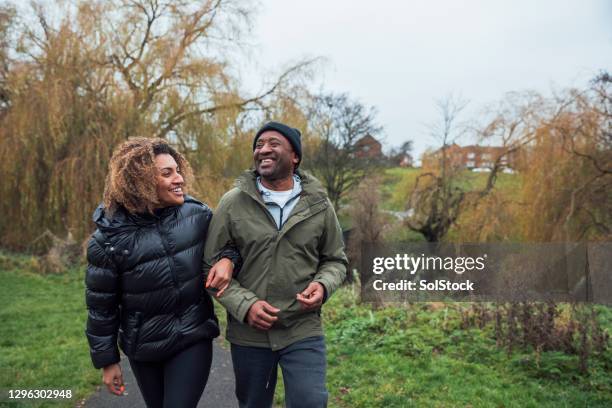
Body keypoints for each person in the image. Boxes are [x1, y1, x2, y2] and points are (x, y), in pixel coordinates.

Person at [85, 137, 239, 408]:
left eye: (178, 170)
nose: (179, 178)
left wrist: (228, 258)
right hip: (143, 347)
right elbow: (101, 306)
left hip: (192, 336)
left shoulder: (197, 215)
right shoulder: (108, 238)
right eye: (167, 173)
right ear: (139, 182)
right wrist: (108, 360)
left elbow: (232, 243)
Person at [203, 121, 348, 408]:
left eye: (273, 143)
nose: (263, 150)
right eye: (259, 145)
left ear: (295, 156)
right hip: (250, 335)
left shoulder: (319, 204)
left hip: (302, 327)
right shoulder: (233, 203)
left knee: (310, 402)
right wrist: (245, 306)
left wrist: (322, 285)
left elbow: (335, 260)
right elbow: (209, 266)